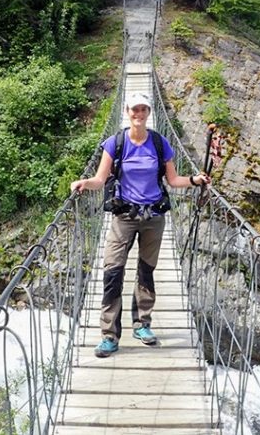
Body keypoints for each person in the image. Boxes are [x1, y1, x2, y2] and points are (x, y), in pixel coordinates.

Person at [70, 92, 211, 357]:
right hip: (124, 216)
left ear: (148, 112)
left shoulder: (160, 143)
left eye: (144, 109)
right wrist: (84, 183)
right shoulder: (116, 143)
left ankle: (142, 324)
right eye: (135, 109)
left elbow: (173, 180)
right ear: (127, 111)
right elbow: (100, 179)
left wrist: (195, 180)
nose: (139, 114)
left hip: (154, 217)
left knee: (146, 271)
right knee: (113, 272)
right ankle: (109, 335)